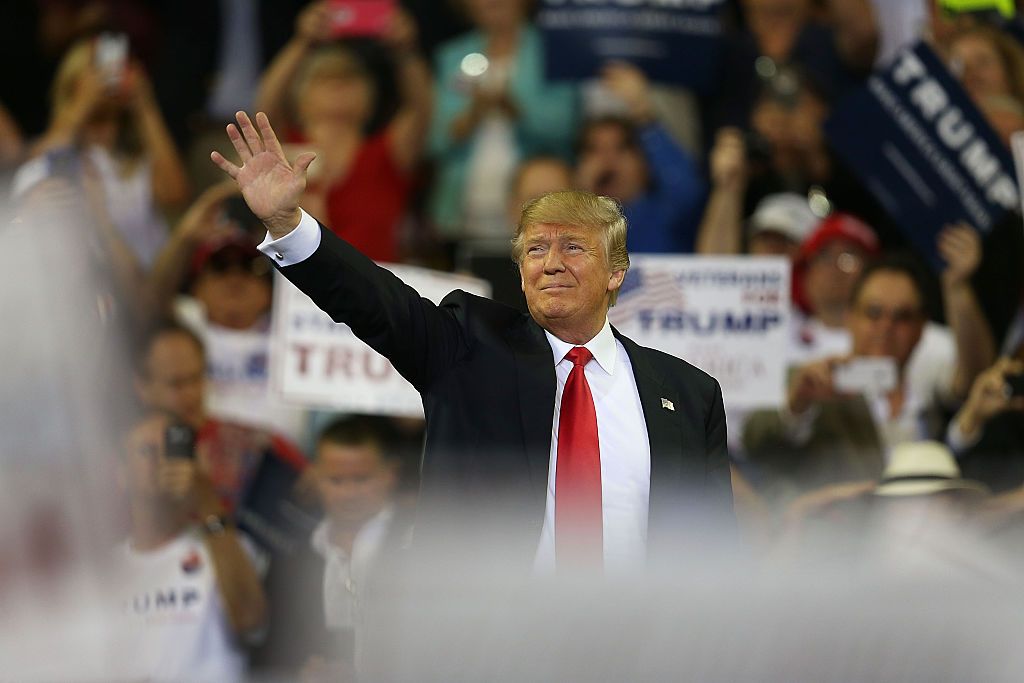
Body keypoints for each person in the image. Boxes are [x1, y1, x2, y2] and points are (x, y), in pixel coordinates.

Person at [211, 111, 733, 572]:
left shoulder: (689, 395)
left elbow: (711, 551)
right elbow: (373, 301)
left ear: (617, 271)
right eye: (535, 250)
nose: (551, 263)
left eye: (573, 247)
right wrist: (287, 222)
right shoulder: (470, 345)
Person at [744, 255, 989, 506]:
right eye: (873, 313)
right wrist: (797, 404)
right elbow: (756, 442)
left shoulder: (927, 389)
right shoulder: (812, 381)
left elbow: (974, 377)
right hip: (836, 535)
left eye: (902, 316)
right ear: (850, 317)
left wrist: (957, 287)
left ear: (920, 328)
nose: (886, 326)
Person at [254, 0, 432, 263]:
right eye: (324, 78)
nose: (338, 85)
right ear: (299, 96)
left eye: (350, 78)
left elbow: (420, 108)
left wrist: (405, 52)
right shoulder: (286, 147)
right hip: (299, 292)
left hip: (379, 294)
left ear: (370, 97)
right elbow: (263, 109)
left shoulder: (386, 152)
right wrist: (302, 43)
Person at [111, 410, 268, 682]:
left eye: (173, 450)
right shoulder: (101, 570)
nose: (162, 462)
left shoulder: (226, 546)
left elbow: (250, 622)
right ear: (122, 475)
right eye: (148, 451)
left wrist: (207, 500)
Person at [14, 38, 190, 267]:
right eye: (96, 119)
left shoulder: (133, 164)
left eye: (112, 118)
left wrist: (144, 104)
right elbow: (32, 171)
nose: (105, 129)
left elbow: (176, 196)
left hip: (139, 291)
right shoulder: (52, 152)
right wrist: (82, 104)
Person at [428, 0, 578, 243]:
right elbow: (436, 141)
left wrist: (513, 109)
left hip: (539, 213)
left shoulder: (554, 49)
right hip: (463, 213)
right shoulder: (451, 54)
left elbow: (565, 131)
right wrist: (475, 113)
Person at [133, 322, 307, 514]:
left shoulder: (258, 445)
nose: (191, 394)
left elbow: (315, 489)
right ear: (142, 388)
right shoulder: (118, 452)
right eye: (177, 384)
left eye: (197, 378)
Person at [575, 63, 706, 254]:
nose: (607, 160)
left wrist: (643, 114)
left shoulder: (666, 213)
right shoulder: (572, 225)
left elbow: (687, 190)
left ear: (644, 164)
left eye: (621, 148)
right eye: (594, 150)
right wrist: (580, 196)